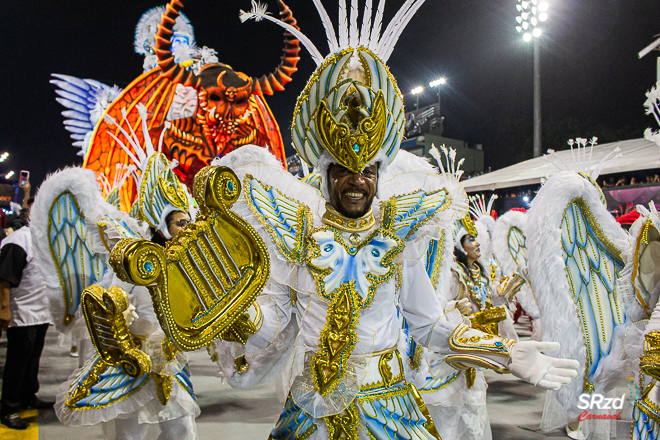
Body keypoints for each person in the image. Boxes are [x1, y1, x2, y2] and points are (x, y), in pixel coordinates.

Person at [0, 192, 54, 430]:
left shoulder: (46, 239)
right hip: (21, 313)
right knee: (17, 361)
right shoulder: (19, 240)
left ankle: (28, 396)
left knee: (33, 359)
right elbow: (4, 279)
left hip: (41, 313)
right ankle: (9, 407)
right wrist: (4, 310)